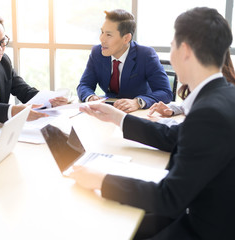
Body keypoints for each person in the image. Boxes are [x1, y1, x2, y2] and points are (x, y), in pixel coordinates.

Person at [69, 7, 235, 239]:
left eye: (173, 44)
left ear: (185, 50)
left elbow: (168, 198)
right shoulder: (225, 95)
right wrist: (117, 117)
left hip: (202, 228)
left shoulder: (208, 113)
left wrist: (100, 179)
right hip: (198, 210)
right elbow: (174, 137)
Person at [76, 9, 173, 113]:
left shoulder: (146, 54)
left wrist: (137, 102)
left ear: (126, 38)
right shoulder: (97, 53)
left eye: (109, 35)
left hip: (138, 114)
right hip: (110, 111)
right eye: (102, 32)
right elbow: (84, 85)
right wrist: (91, 97)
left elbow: (165, 92)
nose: (102, 39)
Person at [148, 49, 235, 121]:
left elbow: (192, 129)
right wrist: (173, 109)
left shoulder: (218, 92)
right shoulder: (208, 83)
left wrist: (162, 121)